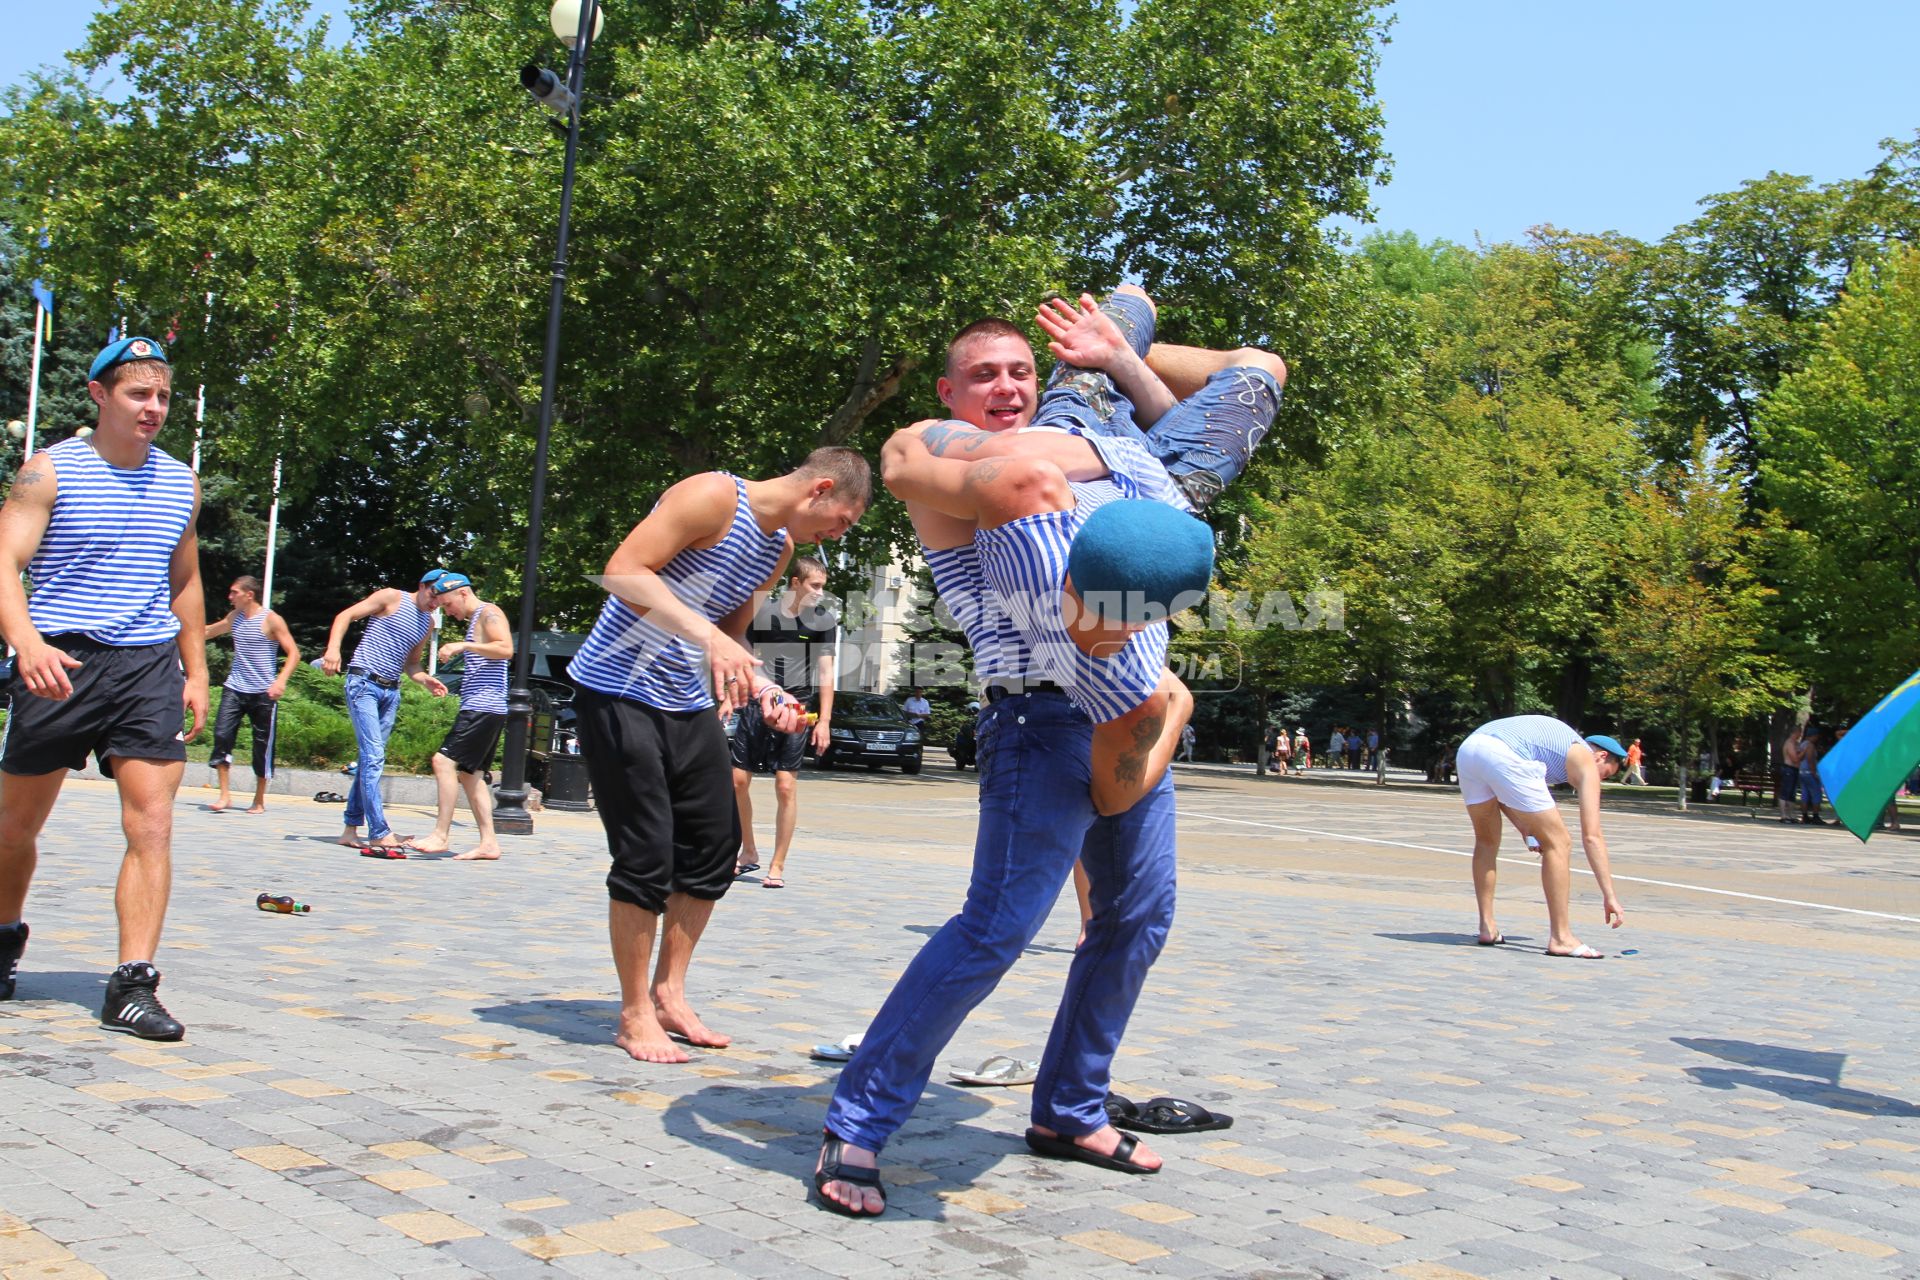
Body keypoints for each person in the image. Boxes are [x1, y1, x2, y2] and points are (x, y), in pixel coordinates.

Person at [816, 284, 1283, 1216]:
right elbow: (943, 464)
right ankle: (857, 1123)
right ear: (951, 393)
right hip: (1042, 717)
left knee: (1137, 919)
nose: (1005, 387)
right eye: (983, 376)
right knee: (994, 930)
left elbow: (1238, 381)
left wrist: (1118, 359)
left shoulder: (1114, 443)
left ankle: (1069, 1108)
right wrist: (1098, 448)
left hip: (1133, 700)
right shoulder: (958, 459)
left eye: (1022, 371)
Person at [568, 448, 868, 1065]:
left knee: (713, 845)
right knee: (647, 851)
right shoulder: (712, 496)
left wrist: (764, 688)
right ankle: (632, 1014)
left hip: (684, 699)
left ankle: (669, 992)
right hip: (617, 687)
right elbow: (624, 571)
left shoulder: (778, 547)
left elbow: (730, 632)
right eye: (844, 519)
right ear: (821, 488)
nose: (839, 535)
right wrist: (706, 637)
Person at [0, 336, 207, 1040]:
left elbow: (185, 579)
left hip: (147, 665)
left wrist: (196, 669)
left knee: (152, 823)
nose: (154, 408)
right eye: (138, 394)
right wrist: (26, 642)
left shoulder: (181, 481)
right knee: (14, 828)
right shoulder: (48, 471)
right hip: (61, 662)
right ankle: (3, 937)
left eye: (163, 397)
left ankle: (133, 984)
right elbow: (5, 558)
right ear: (99, 395)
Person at [1455, 714, 1627, 959]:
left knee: (1486, 841)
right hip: (1504, 752)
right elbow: (1592, 836)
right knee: (1560, 843)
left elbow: (1501, 790)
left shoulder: (1551, 755)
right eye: (1605, 774)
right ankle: (1562, 938)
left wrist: (1525, 827)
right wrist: (1610, 895)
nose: (1600, 781)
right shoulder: (1585, 759)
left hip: (1470, 749)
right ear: (1600, 756)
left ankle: (1487, 927)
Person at [322, 570, 450, 851]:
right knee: (374, 757)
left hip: (391, 692)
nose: (435, 602)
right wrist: (333, 650)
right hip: (363, 684)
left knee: (369, 759)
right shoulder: (391, 597)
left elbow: (412, 665)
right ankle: (379, 831)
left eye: (440, 599)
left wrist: (426, 679)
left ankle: (350, 830)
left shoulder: (427, 623)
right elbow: (344, 616)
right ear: (421, 585)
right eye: (433, 594)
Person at [731, 555, 838, 887]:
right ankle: (748, 851)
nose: (820, 592)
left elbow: (825, 672)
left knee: (785, 786)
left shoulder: (823, 621)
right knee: (736, 781)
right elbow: (740, 650)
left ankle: (777, 864)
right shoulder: (763, 613)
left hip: (799, 708)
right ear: (795, 583)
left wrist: (824, 721)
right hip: (758, 701)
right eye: (815, 586)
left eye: (823, 586)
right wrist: (733, 688)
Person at [402, 573, 513, 860]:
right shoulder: (478, 618)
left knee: (442, 761)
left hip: (484, 707)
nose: (447, 611)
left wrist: (464, 646)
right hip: (483, 707)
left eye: (447, 604)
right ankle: (489, 843)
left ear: (463, 593)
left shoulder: (489, 612)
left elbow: (506, 648)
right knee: (470, 775)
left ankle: (441, 835)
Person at [203, 575, 300, 813]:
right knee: (222, 736)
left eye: (234, 592)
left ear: (249, 595)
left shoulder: (271, 620)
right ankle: (224, 795)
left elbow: (294, 653)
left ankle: (259, 800)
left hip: (263, 692)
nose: (230, 597)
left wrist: (280, 682)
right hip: (235, 687)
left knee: (262, 746)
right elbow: (210, 631)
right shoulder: (235, 617)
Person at [1797, 725, 1828, 825]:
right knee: (1816, 794)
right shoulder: (1810, 745)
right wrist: (1814, 772)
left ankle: (1804, 815)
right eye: (1817, 736)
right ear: (1813, 736)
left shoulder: (1802, 744)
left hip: (1802, 772)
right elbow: (1810, 759)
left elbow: (1799, 758)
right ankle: (1815, 816)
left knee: (1805, 794)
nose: (1817, 738)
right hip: (1809, 772)